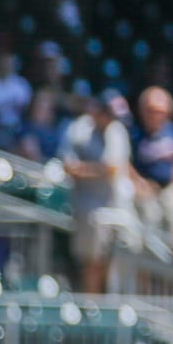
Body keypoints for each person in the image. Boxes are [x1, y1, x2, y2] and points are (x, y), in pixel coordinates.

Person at [60, 93, 133, 293]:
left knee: (115, 262)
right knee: (91, 262)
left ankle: (104, 308)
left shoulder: (117, 131)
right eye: (107, 114)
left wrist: (86, 170)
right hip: (88, 207)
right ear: (97, 111)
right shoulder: (78, 129)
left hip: (116, 206)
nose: (110, 120)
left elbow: (114, 168)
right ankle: (92, 309)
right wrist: (98, 170)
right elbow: (68, 167)